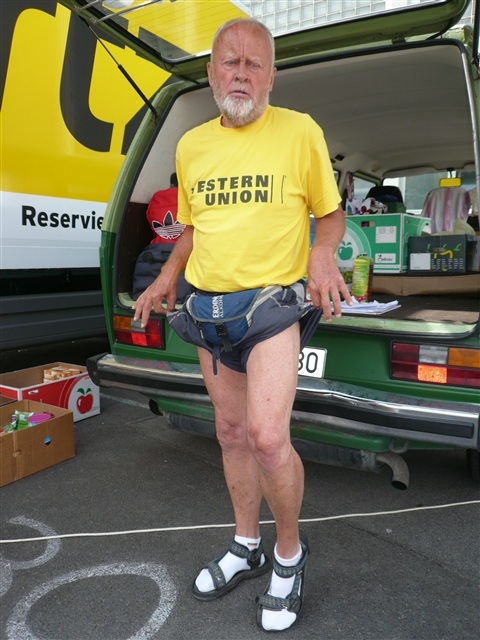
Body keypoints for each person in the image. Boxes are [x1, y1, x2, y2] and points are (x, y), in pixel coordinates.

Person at [133, 17, 352, 633]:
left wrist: (321, 254)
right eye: (230, 61)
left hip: (270, 309)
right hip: (209, 310)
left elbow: (330, 215)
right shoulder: (192, 146)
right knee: (230, 433)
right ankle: (246, 544)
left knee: (266, 438)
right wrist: (166, 275)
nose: (241, 73)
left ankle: (289, 554)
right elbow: (194, 228)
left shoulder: (300, 132)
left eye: (254, 63)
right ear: (211, 74)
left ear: (271, 76)